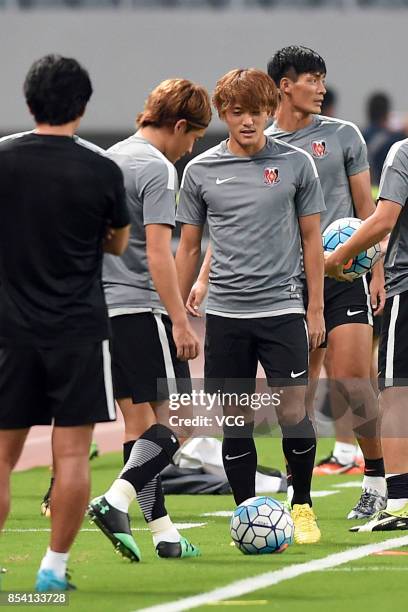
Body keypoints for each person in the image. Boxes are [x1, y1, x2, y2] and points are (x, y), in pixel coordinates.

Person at [176, 68, 326, 544]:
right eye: (237, 112)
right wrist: (177, 314)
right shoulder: (199, 171)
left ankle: (301, 506)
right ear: (223, 114)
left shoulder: (298, 164)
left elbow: (311, 239)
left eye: (256, 111)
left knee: (293, 416)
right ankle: (245, 514)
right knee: (235, 423)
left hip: (282, 312)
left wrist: (315, 309)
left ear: (269, 110)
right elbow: (189, 248)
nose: (247, 121)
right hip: (225, 317)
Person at [0, 54, 130, 591]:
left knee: (3, 456)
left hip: (9, 333)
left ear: (30, 101)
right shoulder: (101, 168)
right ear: (83, 106)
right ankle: (52, 570)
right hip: (77, 330)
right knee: (72, 453)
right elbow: (119, 243)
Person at [87, 79, 212, 560]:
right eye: (194, 137)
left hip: (101, 313)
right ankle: (114, 500)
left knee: (138, 431)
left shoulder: (107, 160)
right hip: (141, 309)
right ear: (179, 126)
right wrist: (180, 322)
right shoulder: (158, 170)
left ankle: (163, 535)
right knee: (178, 426)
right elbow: (161, 254)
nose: (191, 147)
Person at [264, 45, 387, 520]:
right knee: (296, 395)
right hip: (289, 282)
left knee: (355, 380)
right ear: (284, 85)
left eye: (322, 79)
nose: (321, 88)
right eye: (312, 79)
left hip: (343, 276)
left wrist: (374, 270)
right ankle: (299, 497)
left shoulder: (344, 136)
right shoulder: (263, 143)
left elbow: (367, 211)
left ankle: (376, 480)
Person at [325, 136, 408, 531]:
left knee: (395, 394)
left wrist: (337, 257)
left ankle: (402, 502)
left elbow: (384, 219)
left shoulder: (403, 152)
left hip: (407, 289)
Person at [363, 92, 407, 191]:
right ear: (387, 113)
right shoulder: (394, 139)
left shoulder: (362, 135)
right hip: (385, 193)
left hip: (365, 191)